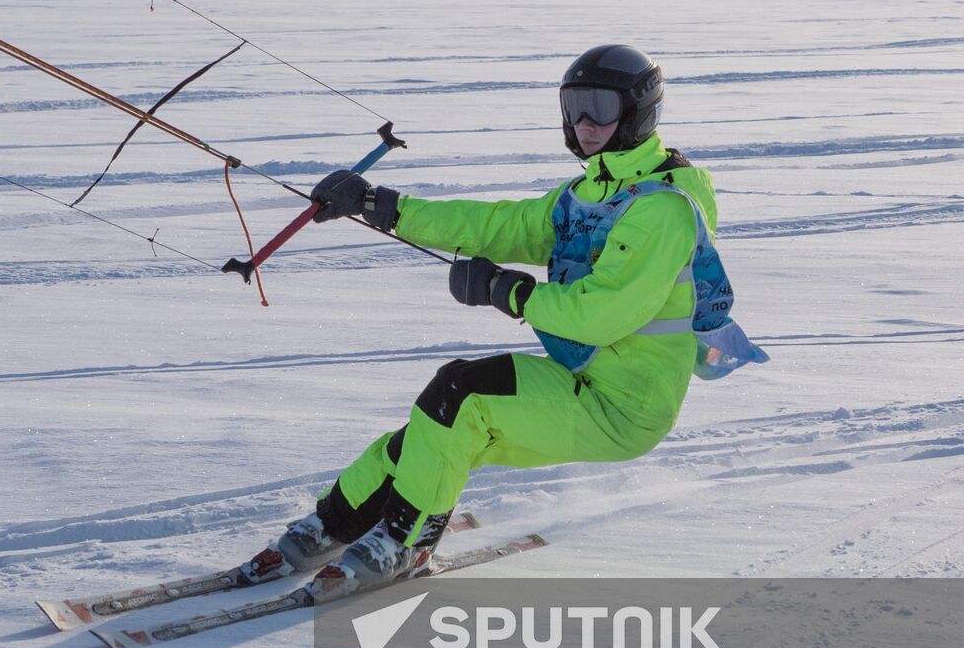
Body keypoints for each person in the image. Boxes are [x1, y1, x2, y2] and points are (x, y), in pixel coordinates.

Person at [242, 44, 765, 587]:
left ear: (638, 111)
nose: (585, 123)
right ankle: (331, 526)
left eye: (601, 108)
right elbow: (499, 226)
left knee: (459, 393)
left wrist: (506, 292)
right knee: (429, 434)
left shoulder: (661, 209)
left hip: (623, 406)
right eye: (574, 107)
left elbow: (598, 316)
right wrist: (385, 206)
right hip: (580, 379)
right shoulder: (590, 193)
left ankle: (404, 543)